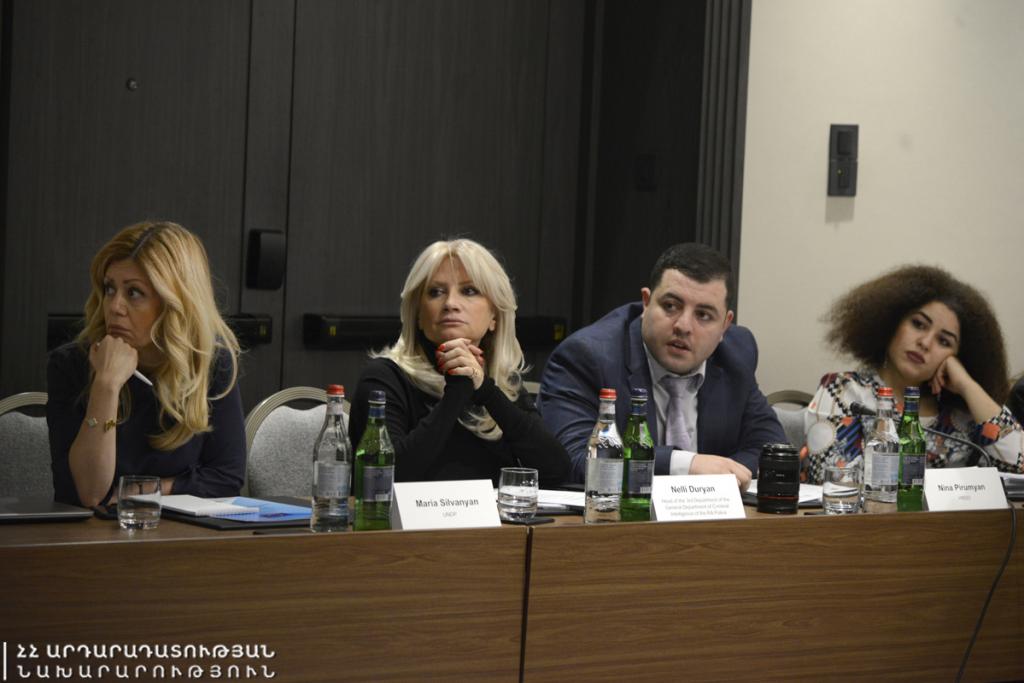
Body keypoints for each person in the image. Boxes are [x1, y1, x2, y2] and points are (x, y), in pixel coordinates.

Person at [537, 242, 784, 490]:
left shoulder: (736, 355)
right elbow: (576, 460)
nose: (683, 326)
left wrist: (722, 477)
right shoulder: (587, 357)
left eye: (703, 315)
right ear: (646, 303)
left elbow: (771, 449)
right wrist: (685, 465)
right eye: (670, 306)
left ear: (725, 326)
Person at [47, 221, 246, 507]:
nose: (114, 306)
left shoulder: (210, 364)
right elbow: (87, 493)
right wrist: (106, 384)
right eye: (110, 289)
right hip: (96, 533)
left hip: (180, 531)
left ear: (173, 303)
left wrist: (134, 491)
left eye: (134, 293)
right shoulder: (71, 365)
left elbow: (225, 480)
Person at [348, 239, 570, 487]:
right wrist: (457, 390)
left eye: (469, 291)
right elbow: (383, 479)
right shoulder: (384, 379)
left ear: (494, 317)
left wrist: (485, 390)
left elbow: (556, 472)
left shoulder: (503, 385)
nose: (450, 303)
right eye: (436, 292)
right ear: (418, 315)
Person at [803, 265, 1023, 483]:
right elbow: (834, 482)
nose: (925, 343)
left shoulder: (963, 414)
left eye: (944, 341)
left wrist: (967, 385)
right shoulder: (843, 392)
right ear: (892, 322)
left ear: (959, 357)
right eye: (918, 324)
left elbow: (1018, 468)